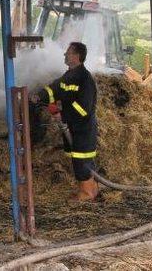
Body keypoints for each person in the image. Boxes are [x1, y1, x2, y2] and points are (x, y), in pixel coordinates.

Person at [32, 42, 99, 201]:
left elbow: (83, 108)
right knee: (78, 158)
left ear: (76, 56)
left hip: (83, 128)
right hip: (73, 126)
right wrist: (40, 96)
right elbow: (55, 88)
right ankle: (93, 189)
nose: (64, 55)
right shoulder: (69, 76)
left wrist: (63, 116)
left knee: (82, 159)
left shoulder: (84, 78)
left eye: (68, 52)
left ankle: (87, 194)